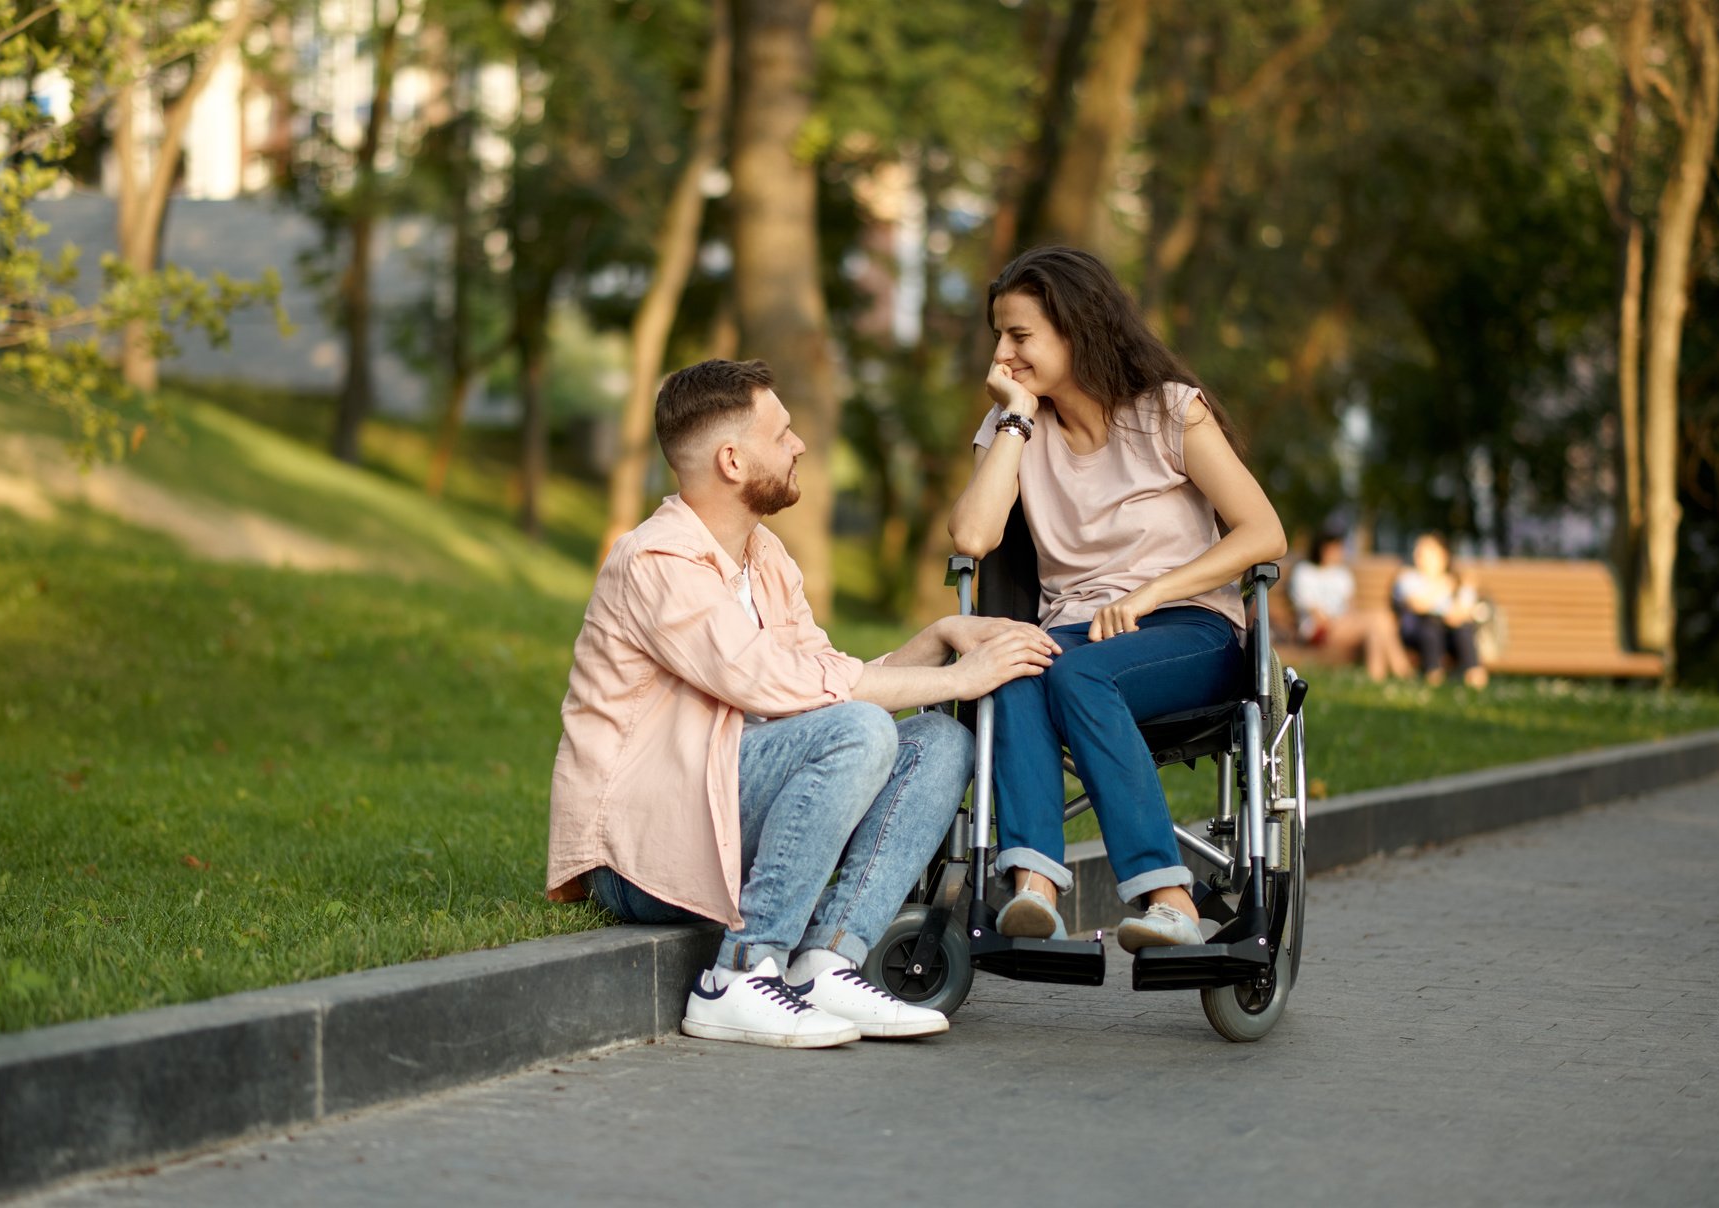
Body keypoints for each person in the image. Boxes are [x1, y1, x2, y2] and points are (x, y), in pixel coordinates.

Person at [548, 358, 1061, 1049]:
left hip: (730, 812)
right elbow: (767, 684)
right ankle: (738, 975)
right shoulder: (656, 562)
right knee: (858, 728)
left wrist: (936, 642)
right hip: (642, 851)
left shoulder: (763, 557)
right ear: (732, 460)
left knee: (939, 743)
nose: (798, 446)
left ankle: (825, 963)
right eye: (782, 432)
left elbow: (818, 677)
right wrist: (957, 679)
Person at [947, 246, 1287, 952]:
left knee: (1075, 673)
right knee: (1009, 663)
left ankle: (1169, 899)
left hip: (1190, 629)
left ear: (1077, 328)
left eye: (1019, 336)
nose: (1001, 354)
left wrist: (1152, 591)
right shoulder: (1016, 428)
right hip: (1075, 635)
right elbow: (974, 537)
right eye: (997, 335)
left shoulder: (1168, 412)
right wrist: (1013, 416)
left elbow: (1264, 533)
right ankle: (1034, 886)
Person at [1289, 529, 1413, 681]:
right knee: (1379, 620)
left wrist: (1350, 621)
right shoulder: (1304, 572)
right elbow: (1313, 611)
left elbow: (1350, 607)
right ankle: (1402, 671)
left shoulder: (1342, 574)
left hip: (1343, 625)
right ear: (1321, 548)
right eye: (1333, 548)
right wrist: (1339, 622)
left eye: (1339, 548)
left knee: (1377, 626)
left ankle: (1376, 676)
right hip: (1317, 629)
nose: (1338, 552)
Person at [1392, 531, 1489, 688]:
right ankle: (1433, 674)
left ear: (1443, 555)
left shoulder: (1459, 579)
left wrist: (1454, 612)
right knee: (1431, 624)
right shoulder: (1409, 578)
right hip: (1420, 633)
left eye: (1428, 550)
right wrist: (1443, 586)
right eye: (1419, 550)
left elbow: (1465, 610)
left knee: (1464, 627)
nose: (1420, 555)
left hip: (1452, 633)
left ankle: (1475, 675)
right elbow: (1418, 604)